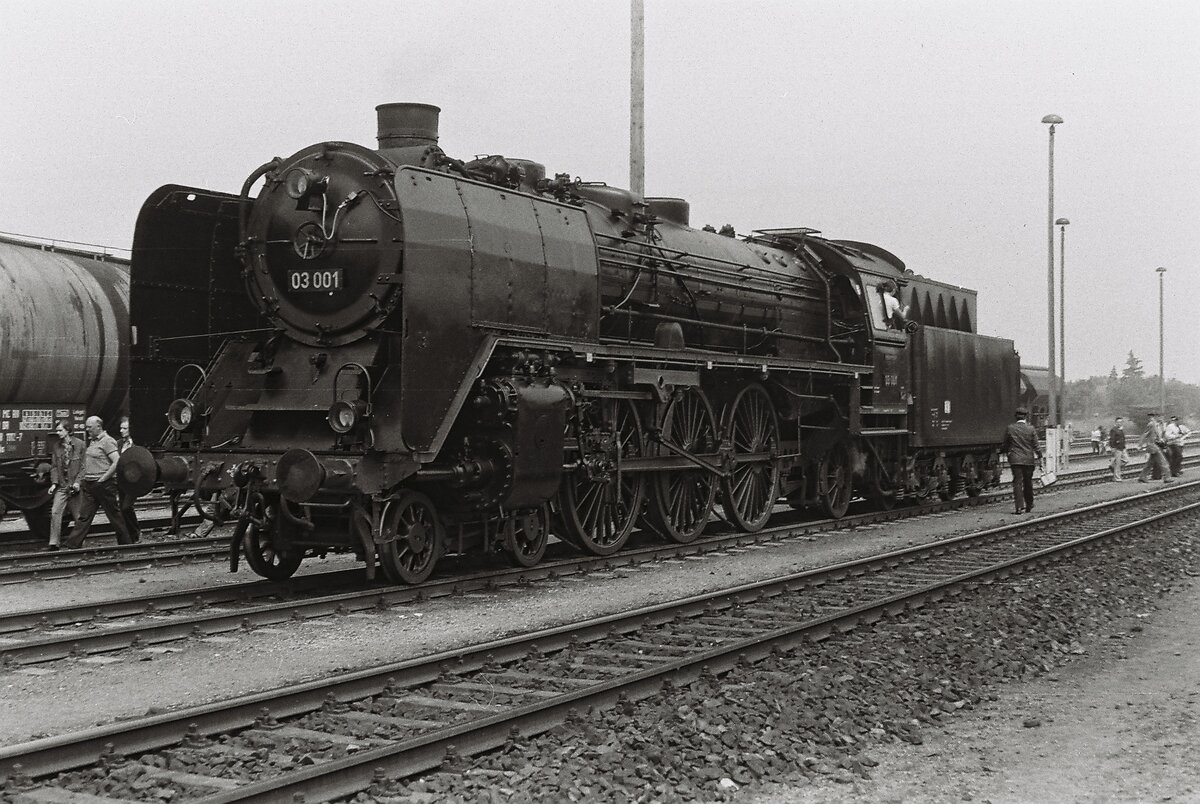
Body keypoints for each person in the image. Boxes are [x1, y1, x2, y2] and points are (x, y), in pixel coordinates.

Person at [62, 416, 136, 548]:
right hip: (90, 485)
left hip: (103, 485)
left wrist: (104, 478)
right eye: (87, 426)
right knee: (84, 516)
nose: (87, 429)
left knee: (114, 516)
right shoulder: (93, 441)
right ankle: (72, 545)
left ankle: (126, 544)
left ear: (98, 427)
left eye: (90, 427)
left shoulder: (107, 441)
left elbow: (117, 461)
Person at [46, 421, 85, 551]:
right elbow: (54, 467)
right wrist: (54, 483)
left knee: (78, 516)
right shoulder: (56, 446)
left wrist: (78, 482)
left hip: (74, 487)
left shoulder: (80, 445)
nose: (57, 433)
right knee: (55, 511)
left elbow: (84, 467)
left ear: (68, 430)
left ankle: (78, 542)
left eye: (60, 430)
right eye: (57, 430)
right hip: (62, 486)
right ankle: (54, 543)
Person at [1002, 407, 1042, 514]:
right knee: (1028, 482)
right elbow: (1036, 445)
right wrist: (1040, 456)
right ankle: (1029, 504)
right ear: (1026, 417)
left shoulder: (1010, 428)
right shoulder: (1031, 429)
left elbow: (1005, 443)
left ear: (1016, 417)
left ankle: (1019, 507)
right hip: (1028, 460)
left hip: (1015, 460)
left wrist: (1005, 452)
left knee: (1017, 483)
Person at [116, 417, 141, 541]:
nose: (121, 431)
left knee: (126, 507)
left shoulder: (136, 444)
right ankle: (130, 536)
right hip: (122, 480)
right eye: (121, 428)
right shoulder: (118, 444)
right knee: (122, 508)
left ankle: (136, 532)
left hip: (133, 480)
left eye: (125, 428)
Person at [1137, 413, 1172, 484]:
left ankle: (1142, 477)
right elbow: (1145, 434)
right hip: (1153, 446)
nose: (1162, 418)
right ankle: (1167, 478)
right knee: (1163, 462)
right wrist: (1140, 445)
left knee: (1150, 463)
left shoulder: (1156, 425)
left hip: (1154, 446)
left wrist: (1160, 439)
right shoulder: (1152, 424)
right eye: (1160, 417)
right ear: (1156, 417)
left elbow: (1156, 435)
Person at [1109, 416, 1127, 481]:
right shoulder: (1114, 430)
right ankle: (1117, 477)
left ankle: (1112, 465)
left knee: (1126, 460)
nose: (1119, 423)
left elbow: (1123, 438)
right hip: (1117, 447)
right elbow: (1111, 439)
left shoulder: (1121, 429)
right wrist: (1112, 447)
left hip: (1122, 447)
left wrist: (1124, 446)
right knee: (1118, 463)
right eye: (1118, 422)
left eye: (1121, 422)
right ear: (1116, 422)